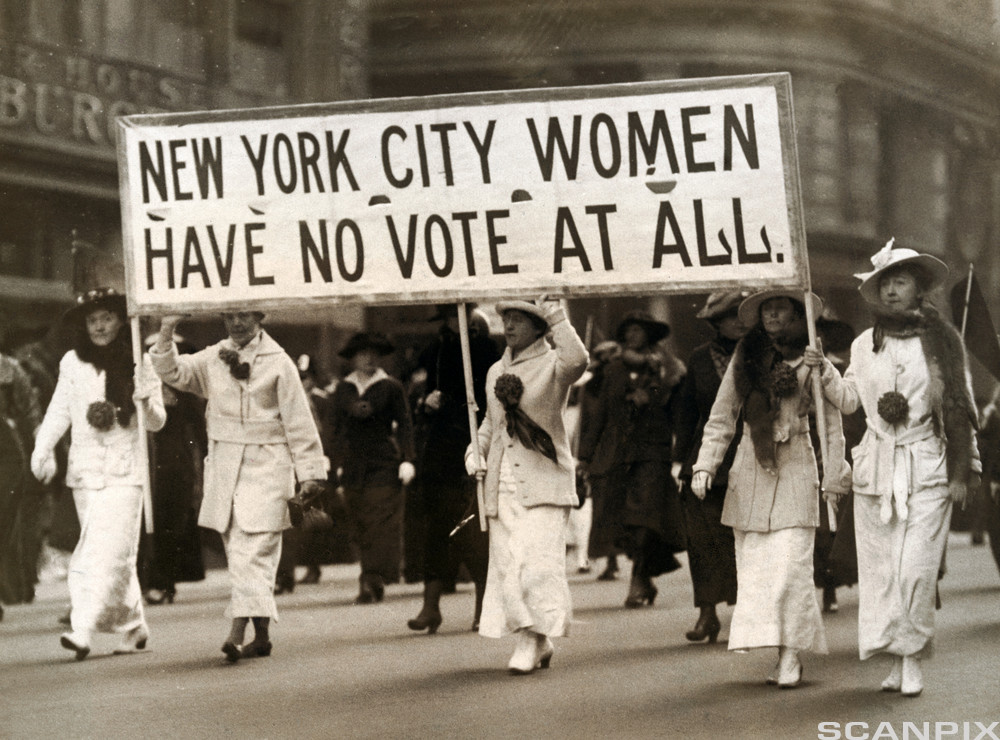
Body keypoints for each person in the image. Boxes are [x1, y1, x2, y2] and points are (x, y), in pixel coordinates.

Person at [804, 240, 980, 697]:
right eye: (884, 283)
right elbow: (848, 400)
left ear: (919, 289)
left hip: (928, 467)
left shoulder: (943, 341)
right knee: (882, 573)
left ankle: (913, 657)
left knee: (916, 570)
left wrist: (965, 470)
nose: (890, 291)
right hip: (875, 470)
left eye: (900, 282)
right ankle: (895, 656)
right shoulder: (864, 346)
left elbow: (961, 406)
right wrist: (823, 370)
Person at [692, 288, 851, 688]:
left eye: (781, 308)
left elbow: (837, 420)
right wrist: (705, 465)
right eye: (766, 309)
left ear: (797, 314)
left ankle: (791, 654)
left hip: (797, 464)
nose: (773, 315)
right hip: (752, 469)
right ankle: (778, 649)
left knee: (791, 565)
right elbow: (722, 414)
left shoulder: (813, 357)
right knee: (758, 569)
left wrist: (834, 476)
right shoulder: (745, 357)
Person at [150, 311, 326, 663]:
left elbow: (298, 420)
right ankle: (261, 636)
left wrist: (310, 473)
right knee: (241, 553)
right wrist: (167, 329)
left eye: (245, 316)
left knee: (255, 550)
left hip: (269, 465)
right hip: (226, 467)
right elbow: (171, 372)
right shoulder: (213, 357)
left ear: (260, 318)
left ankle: (237, 628)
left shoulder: (280, 363)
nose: (237, 324)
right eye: (230, 316)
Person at [30, 287, 166, 660]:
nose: (100, 326)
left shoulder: (139, 360)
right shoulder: (73, 362)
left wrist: (145, 403)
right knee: (113, 555)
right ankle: (134, 625)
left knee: (101, 553)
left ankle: (82, 627)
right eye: (93, 320)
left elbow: (157, 422)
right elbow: (59, 410)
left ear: (121, 322)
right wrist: (42, 448)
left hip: (126, 471)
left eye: (107, 318)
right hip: (86, 473)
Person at [465, 298, 588, 674]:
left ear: (539, 326)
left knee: (538, 566)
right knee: (507, 567)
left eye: (520, 319)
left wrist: (556, 315)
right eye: (507, 320)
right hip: (502, 483)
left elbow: (578, 360)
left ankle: (534, 639)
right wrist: (475, 451)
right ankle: (534, 639)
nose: (511, 326)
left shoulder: (554, 364)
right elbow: (489, 423)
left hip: (545, 478)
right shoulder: (492, 372)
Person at [577, 311, 687, 608]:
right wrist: (584, 457)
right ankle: (645, 577)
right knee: (620, 520)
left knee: (645, 518)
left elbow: (676, 410)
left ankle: (637, 580)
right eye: (628, 331)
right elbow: (598, 415)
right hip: (617, 456)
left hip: (652, 453)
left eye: (638, 330)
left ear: (649, 335)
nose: (631, 336)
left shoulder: (667, 368)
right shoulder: (613, 370)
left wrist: (652, 396)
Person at [407, 304, 498, 634]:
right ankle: (430, 606)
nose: (446, 326)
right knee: (436, 526)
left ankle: (483, 603)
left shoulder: (487, 349)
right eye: (443, 320)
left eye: (450, 318)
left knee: (473, 527)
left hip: (471, 444)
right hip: (440, 447)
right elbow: (427, 390)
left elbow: (491, 401)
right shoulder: (437, 350)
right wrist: (427, 402)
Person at [672, 292, 747, 643]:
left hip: (752, 456)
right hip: (705, 459)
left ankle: (749, 614)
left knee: (742, 541)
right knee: (701, 540)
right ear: (715, 323)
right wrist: (682, 463)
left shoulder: (762, 354)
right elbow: (688, 414)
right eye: (728, 316)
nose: (736, 322)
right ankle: (707, 614)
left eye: (740, 315)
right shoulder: (700, 359)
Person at [329, 331, 416, 604]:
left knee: (381, 521)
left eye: (373, 353)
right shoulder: (343, 389)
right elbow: (333, 429)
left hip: (384, 462)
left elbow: (405, 425)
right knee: (360, 523)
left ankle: (372, 579)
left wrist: (408, 459)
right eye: (361, 354)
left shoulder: (390, 386)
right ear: (353, 359)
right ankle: (371, 576)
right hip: (353, 465)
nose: (367, 358)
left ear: (379, 357)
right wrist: (331, 462)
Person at [140, 334, 207, 606]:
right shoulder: (140, 384)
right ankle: (144, 580)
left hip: (173, 463)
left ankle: (162, 581)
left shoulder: (183, 391)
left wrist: (204, 458)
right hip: (143, 459)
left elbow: (198, 428)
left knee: (170, 523)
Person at [0, 337, 43, 620]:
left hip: (5, 451)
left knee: (3, 521)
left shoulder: (7, 367)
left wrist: (44, 448)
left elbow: (31, 411)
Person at [577, 339, 623, 580]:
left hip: (616, 452)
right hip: (601, 455)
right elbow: (586, 422)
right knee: (603, 509)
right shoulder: (591, 388)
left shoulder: (618, 383)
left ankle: (615, 558)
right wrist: (584, 457)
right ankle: (611, 558)